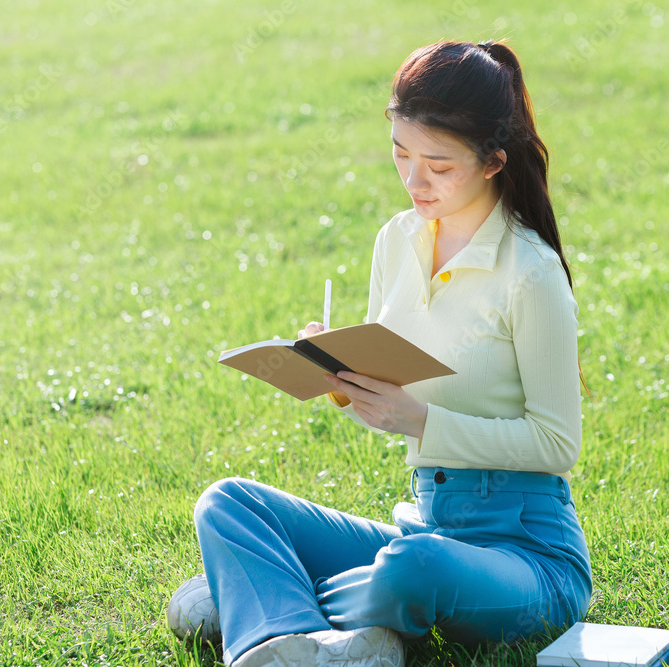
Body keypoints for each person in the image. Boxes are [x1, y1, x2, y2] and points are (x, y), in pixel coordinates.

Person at [173, 39, 592, 667]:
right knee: (230, 501)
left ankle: (261, 599)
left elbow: (557, 445)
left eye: (438, 165)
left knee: (412, 568)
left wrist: (422, 423)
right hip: (427, 525)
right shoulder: (396, 242)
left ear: (492, 162)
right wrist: (338, 375)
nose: (414, 180)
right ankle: (281, 638)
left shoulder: (530, 273)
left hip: (526, 556)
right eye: (400, 153)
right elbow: (392, 398)